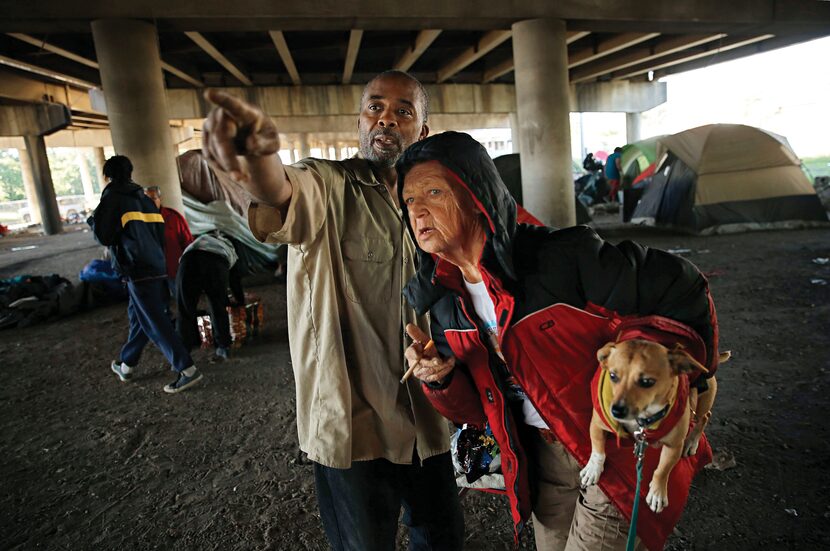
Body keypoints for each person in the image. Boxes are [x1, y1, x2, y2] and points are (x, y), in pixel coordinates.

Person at [397, 132, 721, 551]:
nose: (418, 210)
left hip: (611, 448)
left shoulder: (562, 258)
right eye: (408, 201)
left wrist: (649, 358)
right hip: (542, 462)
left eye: (434, 192)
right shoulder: (445, 303)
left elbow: (682, 285)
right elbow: (479, 412)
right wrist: (439, 380)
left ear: (477, 195)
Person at [200, 70, 464, 550]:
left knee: (443, 538)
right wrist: (260, 157)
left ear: (422, 131)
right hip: (354, 423)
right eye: (375, 108)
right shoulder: (329, 184)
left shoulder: (432, 198)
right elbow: (281, 192)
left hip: (430, 416)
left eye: (403, 111)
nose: (386, 119)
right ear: (359, 121)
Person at [89, 155, 203, 394]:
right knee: (140, 317)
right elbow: (159, 234)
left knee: (154, 320)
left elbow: (105, 236)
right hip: (155, 267)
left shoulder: (112, 198)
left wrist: (93, 221)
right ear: (130, 173)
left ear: (107, 176)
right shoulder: (145, 198)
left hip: (136, 269)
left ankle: (187, 369)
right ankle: (126, 364)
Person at [176, 230, 245, 359]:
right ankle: (223, 347)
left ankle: (182, 355)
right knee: (217, 305)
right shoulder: (231, 245)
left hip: (187, 261)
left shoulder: (198, 240)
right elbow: (235, 279)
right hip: (215, 261)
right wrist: (240, 301)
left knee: (185, 310)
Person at [143, 185, 193, 295]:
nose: (150, 203)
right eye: (146, 200)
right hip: (153, 273)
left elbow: (188, 242)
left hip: (175, 268)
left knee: (182, 298)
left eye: (154, 198)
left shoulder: (173, 217)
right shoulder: (140, 222)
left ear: (160, 199)